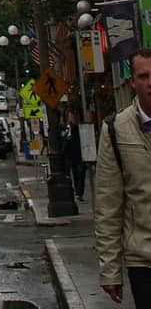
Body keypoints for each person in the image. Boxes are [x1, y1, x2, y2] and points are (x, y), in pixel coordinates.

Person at [97, 47, 151, 303]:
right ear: (133, 81)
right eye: (144, 76)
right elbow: (108, 206)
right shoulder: (115, 130)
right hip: (144, 261)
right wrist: (110, 270)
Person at [62, 112, 86, 201]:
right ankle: (75, 191)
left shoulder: (81, 129)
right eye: (71, 118)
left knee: (80, 174)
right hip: (70, 157)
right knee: (74, 175)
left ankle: (79, 193)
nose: (73, 120)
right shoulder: (67, 130)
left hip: (80, 156)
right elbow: (64, 144)